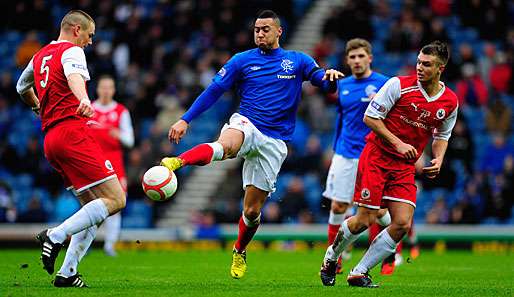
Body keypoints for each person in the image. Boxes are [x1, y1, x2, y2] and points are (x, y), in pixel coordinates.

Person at [160, 10, 343, 279]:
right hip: (247, 122)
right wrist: (185, 119)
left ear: (279, 31)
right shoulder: (241, 61)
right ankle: (178, 161)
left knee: (252, 211)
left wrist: (329, 80)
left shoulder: (297, 61)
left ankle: (239, 250)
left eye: (265, 29)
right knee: (226, 145)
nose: (260, 33)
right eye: (257, 29)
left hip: (275, 141)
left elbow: (320, 81)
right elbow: (213, 91)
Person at [319, 41, 458, 287]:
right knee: (365, 219)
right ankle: (331, 257)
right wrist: (398, 144)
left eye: (426, 64)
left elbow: (442, 135)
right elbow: (370, 118)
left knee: (402, 223)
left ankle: (359, 271)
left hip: (404, 166)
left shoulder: (449, 101)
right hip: (377, 157)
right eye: (418, 62)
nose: (420, 67)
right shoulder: (398, 85)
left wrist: (439, 157)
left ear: (440, 69)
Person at [15, 10, 126, 287]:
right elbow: (75, 77)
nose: (90, 41)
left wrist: (37, 106)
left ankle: (67, 273)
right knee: (116, 199)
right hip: (72, 133)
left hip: (51, 140)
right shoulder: (72, 51)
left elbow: (21, 87)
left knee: (92, 207)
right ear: (76, 29)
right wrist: (84, 99)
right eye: (89, 35)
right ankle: (54, 235)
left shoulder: (39, 56)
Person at [322, 38, 392, 274]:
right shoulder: (343, 85)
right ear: (347, 60)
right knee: (339, 205)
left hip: (373, 155)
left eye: (361, 56)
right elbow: (342, 119)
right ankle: (336, 257)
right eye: (352, 57)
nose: (357, 60)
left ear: (370, 58)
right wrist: (334, 147)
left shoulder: (385, 84)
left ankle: (392, 250)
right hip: (346, 153)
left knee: (379, 211)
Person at [90, 75, 135, 256]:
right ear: (98, 89)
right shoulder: (89, 108)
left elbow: (130, 140)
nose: (106, 91)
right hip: (93, 163)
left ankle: (110, 245)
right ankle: (85, 245)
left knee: (116, 205)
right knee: (91, 205)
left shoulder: (121, 111)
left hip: (114, 165)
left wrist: (119, 135)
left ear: (114, 90)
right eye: (103, 87)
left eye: (109, 87)